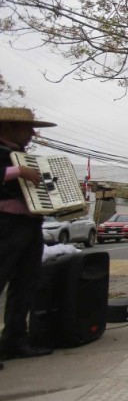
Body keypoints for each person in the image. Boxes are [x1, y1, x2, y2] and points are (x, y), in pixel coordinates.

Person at [0, 107, 56, 368]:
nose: (33, 133)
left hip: (29, 225)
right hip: (5, 224)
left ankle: (15, 340)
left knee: (25, 285)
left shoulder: (22, 156)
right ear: (8, 128)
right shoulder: (8, 158)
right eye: (28, 128)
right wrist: (18, 172)